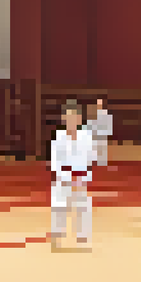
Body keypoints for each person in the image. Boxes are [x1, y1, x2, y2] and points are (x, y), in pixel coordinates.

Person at [49, 100, 97, 248]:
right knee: (59, 207)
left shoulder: (86, 136)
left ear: (78, 118)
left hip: (81, 176)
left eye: (73, 117)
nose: (71, 120)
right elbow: (55, 159)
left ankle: (82, 237)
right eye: (68, 117)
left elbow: (91, 157)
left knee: (83, 207)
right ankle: (57, 235)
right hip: (63, 177)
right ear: (64, 119)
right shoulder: (59, 136)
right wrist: (63, 176)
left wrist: (83, 175)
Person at [88, 97, 114, 166]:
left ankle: (102, 164)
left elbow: (108, 127)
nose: (99, 105)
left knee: (102, 155)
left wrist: (104, 133)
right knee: (94, 154)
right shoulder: (93, 115)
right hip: (94, 138)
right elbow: (90, 126)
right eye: (98, 103)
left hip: (102, 137)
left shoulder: (107, 116)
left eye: (100, 103)